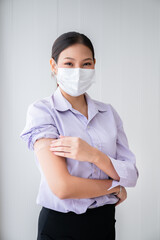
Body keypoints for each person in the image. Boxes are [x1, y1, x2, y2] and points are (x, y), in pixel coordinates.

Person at [20, 31, 139, 240]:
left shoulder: (108, 113)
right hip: (61, 226)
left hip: (104, 222)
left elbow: (131, 174)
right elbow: (62, 187)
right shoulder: (43, 112)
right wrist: (115, 188)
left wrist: (93, 155)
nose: (78, 71)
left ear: (94, 65)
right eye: (69, 63)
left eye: (85, 64)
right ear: (53, 66)